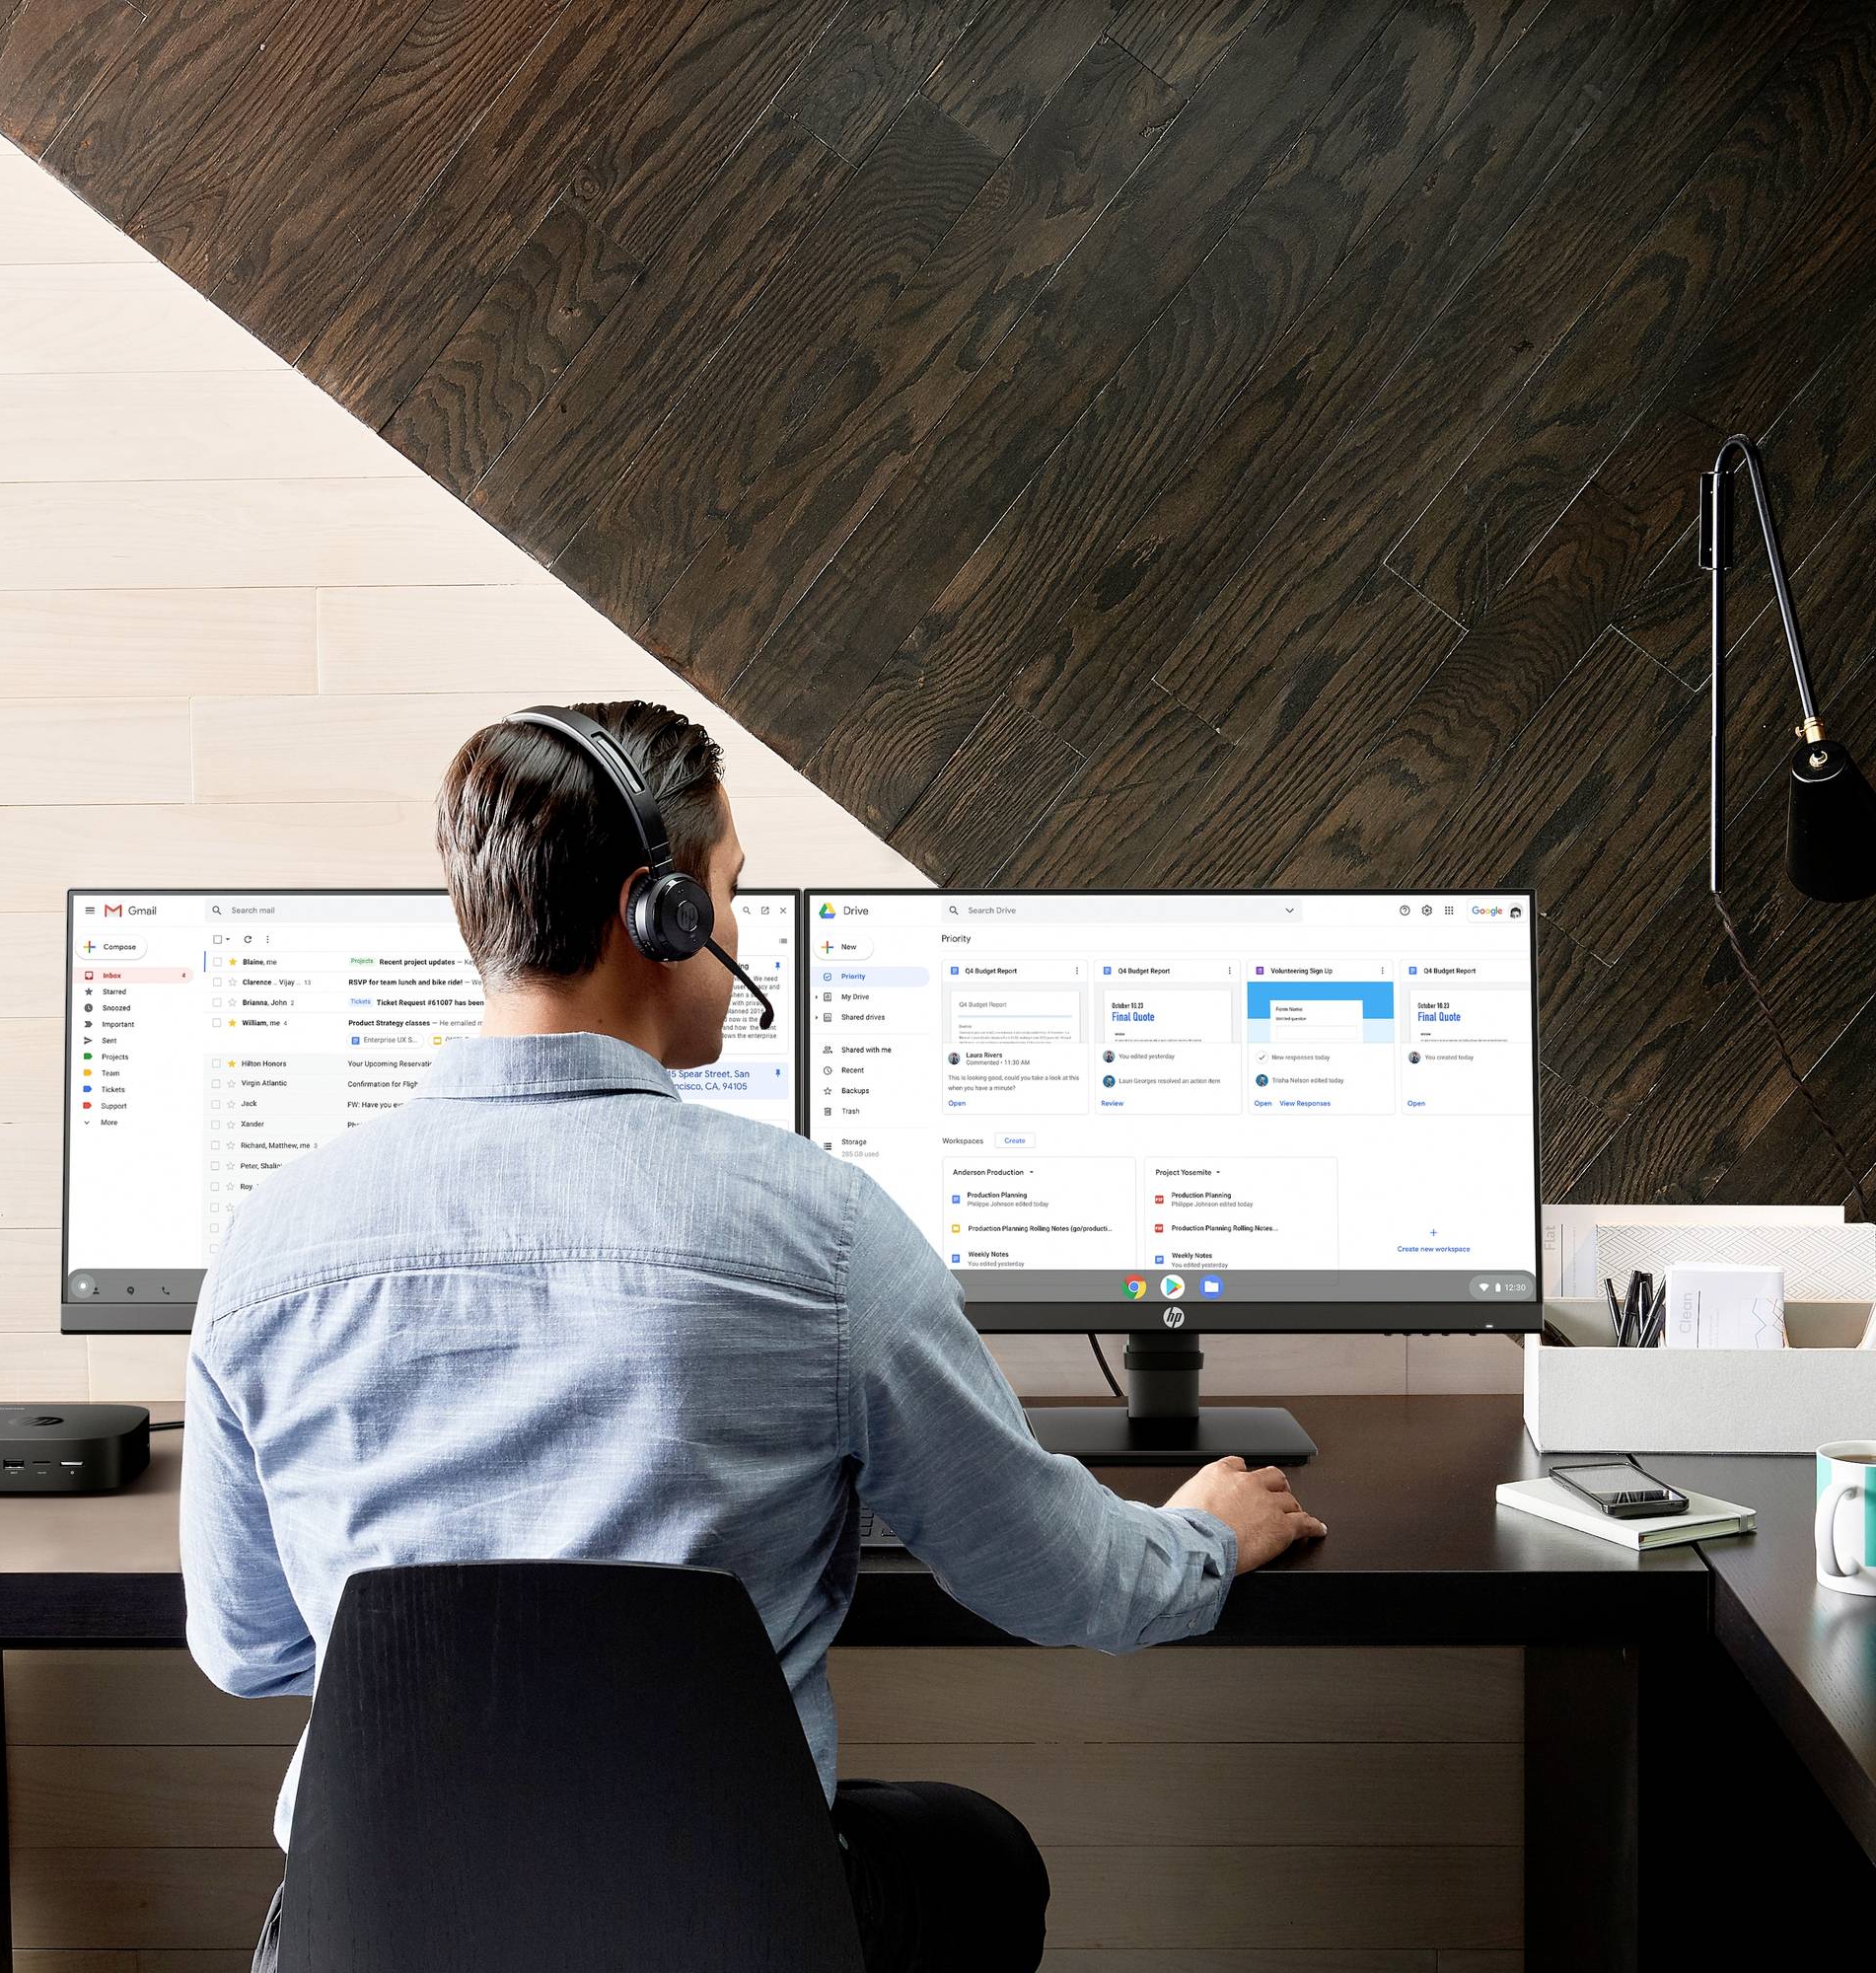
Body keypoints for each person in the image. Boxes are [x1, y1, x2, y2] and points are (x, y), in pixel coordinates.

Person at [182, 700, 1326, 1973]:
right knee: (975, 1855)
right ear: (656, 914)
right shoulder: (820, 1234)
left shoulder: (266, 1243)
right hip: (726, 1930)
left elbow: (253, 1649)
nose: (735, 929)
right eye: (729, 891)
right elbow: (1056, 1578)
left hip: (370, 1938)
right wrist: (1204, 1540)